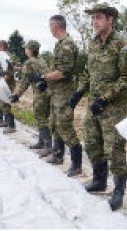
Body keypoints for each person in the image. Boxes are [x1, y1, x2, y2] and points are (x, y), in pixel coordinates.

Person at [70, 2, 127, 211]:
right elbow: (88, 73)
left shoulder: (122, 44)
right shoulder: (93, 43)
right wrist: (80, 91)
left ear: (110, 19)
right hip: (93, 104)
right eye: (93, 18)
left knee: (114, 148)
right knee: (91, 142)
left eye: (98, 17)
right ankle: (99, 180)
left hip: (112, 107)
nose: (94, 21)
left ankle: (118, 192)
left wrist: (105, 98)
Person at [42, 15, 82, 174]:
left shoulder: (67, 45)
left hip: (64, 94)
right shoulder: (60, 44)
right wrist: (46, 80)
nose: (49, 29)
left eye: (50, 26)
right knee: (55, 124)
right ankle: (58, 156)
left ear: (56, 26)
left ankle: (77, 165)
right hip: (56, 93)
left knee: (65, 126)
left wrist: (45, 77)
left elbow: (64, 72)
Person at [9, 40, 50, 140]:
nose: (25, 50)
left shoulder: (29, 62)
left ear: (31, 50)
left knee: (40, 117)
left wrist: (16, 95)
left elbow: (24, 82)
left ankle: (46, 144)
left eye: (26, 48)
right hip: (48, 92)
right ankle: (42, 142)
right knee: (43, 117)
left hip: (39, 93)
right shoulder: (41, 60)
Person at [0, 39, 15, 132]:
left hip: (7, 84)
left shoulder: (7, 57)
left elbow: (10, 72)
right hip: (3, 82)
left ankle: (11, 125)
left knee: (5, 103)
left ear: (2, 47)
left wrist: (2, 79)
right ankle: (3, 121)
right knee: (1, 103)